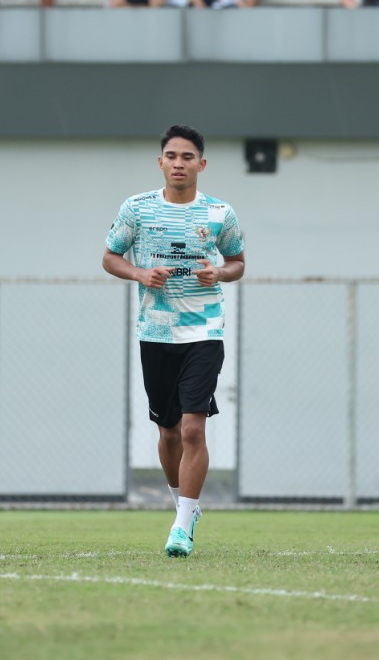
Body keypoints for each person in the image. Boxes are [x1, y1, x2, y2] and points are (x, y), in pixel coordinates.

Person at [103, 125, 245, 558]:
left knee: (193, 429)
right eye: (171, 155)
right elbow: (110, 257)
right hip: (156, 332)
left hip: (204, 330)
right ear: (160, 162)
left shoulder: (220, 213)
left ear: (201, 164)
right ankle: (183, 503)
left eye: (187, 157)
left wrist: (219, 272)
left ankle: (182, 524)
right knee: (167, 435)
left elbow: (237, 262)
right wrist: (141, 274)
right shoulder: (137, 209)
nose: (179, 163)